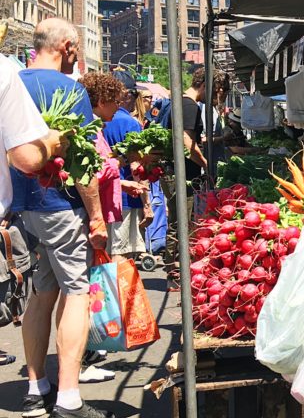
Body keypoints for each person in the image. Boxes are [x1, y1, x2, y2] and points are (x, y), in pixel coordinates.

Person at [15, 17, 115, 418]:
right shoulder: (68, 89)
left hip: (23, 208)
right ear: (68, 46)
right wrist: (95, 217)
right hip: (61, 205)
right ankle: (70, 401)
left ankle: (36, 390)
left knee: (40, 294)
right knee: (77, 293)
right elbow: (83, 163)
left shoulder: (13, 84)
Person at [0, 55, 66, 366]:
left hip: (29, 213)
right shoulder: (3, 70)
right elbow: (26, 158)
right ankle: (67, 399)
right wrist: (51, 142)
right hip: (51, 212)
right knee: (72, 291)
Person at [80, 72, 153, 261]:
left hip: (106, 203)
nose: (118, 106)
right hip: (100, 208)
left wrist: (122, 183)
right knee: (119, 255)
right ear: (103, 101)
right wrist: (126, 159)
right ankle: (116, 291)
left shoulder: (96, 125)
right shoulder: (89, 130)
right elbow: (95, 172)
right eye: (115, 101)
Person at [162, 67, 209, 288]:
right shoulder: (189, 106)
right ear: (204, 85)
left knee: (180, 220)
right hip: (181, 174)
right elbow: (186, 142)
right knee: (180, 223)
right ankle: (175, 275)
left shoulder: (182, 103)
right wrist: (206, 165)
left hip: (178, 173)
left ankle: (175, 271)